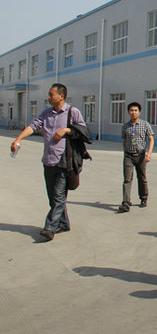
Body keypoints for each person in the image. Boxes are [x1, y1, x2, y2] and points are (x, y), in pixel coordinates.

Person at [11, 83, 88, 241]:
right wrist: (18, 139)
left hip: (64, 160)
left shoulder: (72, 112)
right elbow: (34, 126)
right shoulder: (46, 113)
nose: (49, 97)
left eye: (51, 94)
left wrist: (66, 130)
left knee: (58, 196)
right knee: (53, 197)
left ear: (61, 95)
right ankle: (64, 223)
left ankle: (50, 228)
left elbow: (84, 131)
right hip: (48, 160)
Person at [119, 102, 154, 212]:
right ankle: (126, 202)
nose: (133, 112)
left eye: (135, 110)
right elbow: (124, 141)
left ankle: (143, 198)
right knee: (127, 179)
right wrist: (125, 152)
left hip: (141, 156)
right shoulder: (125, 126)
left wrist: (149, 153)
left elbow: (151, 139)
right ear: (128, 112)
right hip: (129, 156)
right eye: (131, 110)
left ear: (139, 112)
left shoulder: (145, 124)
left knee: (142, 177)